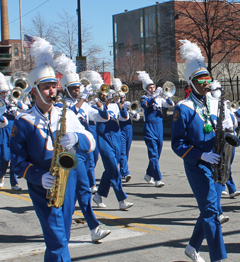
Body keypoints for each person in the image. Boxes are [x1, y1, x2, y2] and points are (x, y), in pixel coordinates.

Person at [10, 37, 96, 262]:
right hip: (43, 185)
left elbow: (90, 142)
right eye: (46, 87)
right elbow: (15, 160)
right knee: (58, 237)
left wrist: (77, 139)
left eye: (54, 86)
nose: (52, 91)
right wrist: (36, 176)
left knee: (62, 235)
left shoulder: (67, 114)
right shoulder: (23, 122)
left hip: (66, 181)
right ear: (34, 91)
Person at [171, 39, 234, 262]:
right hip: (198, 165)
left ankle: (191, 247)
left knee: (210, 209)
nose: (205, 84)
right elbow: (177, 144)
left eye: (207, 79)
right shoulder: (183, 108)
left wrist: (229, 126)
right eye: (200, 80)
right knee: (211, 212)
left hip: (218, 162)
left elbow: (226, 132)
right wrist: (200, 155)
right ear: (191, 83)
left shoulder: (216, 103)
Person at [54, 56, 111, 242]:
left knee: (84, 191)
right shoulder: (59, 106)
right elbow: (71, 115)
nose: (78, 91)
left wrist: (104, 106)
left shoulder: (85, 104)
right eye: (74, 88)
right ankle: (64, 231)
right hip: (69, 155)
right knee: (69, 197)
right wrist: (82, 102)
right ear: (66, 90)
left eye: (79, 88)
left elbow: (102, 118)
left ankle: (93, 228)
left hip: (85, 152)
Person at [92, 82, 134, 211]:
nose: (106, 96)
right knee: (114, 170)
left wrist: (120, 103)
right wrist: (101, 104)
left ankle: (98, 195)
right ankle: (122, 200)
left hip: (116, 136)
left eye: (107, 93)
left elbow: (125, 117)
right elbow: (103, 116)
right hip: (104, 137)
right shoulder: (93, 106)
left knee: (111, 168)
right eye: (103, 94)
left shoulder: (115, 106)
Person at [137, 71, 174, 187]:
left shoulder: (159, 99)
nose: (152, 89)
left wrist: (167, 96)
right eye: (150, 88)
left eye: (153, 87)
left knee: (157, 154)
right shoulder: (144, 98)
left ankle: (148, 174)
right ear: (146, 89)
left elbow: (171, 104)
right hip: (149, 127)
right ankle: (158, 179)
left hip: (159, 126)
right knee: (153, 154)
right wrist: (155, 96)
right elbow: (145, 105)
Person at [0, 73, 25, 191]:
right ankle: (0, 176)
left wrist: (16, 104)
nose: (5, 94)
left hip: (14, 130)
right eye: (3, 92)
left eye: (5, 91)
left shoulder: (14, 99)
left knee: (14, 157)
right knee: (5, 158)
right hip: (4, 130)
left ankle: (14, 183)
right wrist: (6, 108)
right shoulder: (1, 103)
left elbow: (25, 109)